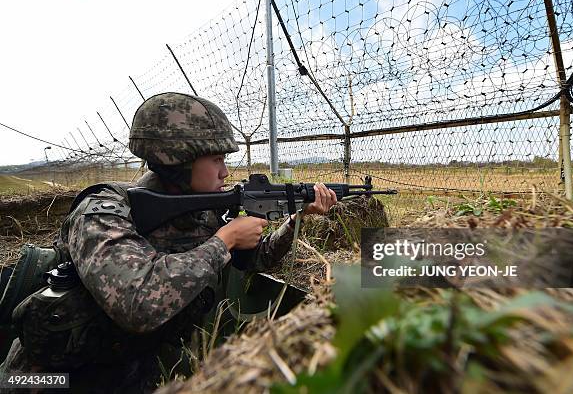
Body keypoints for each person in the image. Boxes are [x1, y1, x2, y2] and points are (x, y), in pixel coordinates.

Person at [0, 92, 337, 392]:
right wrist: (224, 241)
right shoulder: (104, 212)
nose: (224, 172)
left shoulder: (201, 209)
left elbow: (258, 261)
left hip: (130, 374)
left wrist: (296, 218)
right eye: (217, 159)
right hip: (48, 380)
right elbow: (138, 304)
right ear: (180, 160)